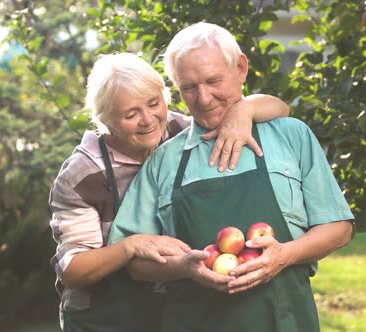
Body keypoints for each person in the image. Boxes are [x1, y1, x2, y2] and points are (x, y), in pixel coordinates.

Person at [108, 22, 355, 332]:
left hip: (286, 320)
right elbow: (134, 263)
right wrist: (184, 268)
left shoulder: (291, 136)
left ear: (240, 68)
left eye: (214, 81)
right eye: (188, 88)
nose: (204, 98)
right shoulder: (163, 161)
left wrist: (283, 255)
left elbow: (339, 228)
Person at [49, 52, 290, 331]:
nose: (148, 120)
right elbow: (73, 271)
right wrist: (131, 245)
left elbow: (281, 108)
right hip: (104, 316)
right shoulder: (82, 177)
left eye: (154, 103)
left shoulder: (181, 132)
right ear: (105, 120)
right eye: (130, 114)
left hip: (169, 308)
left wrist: (244, 110)